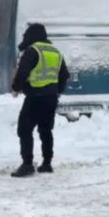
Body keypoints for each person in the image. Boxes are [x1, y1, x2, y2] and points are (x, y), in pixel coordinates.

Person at [9, 23, 69, 177]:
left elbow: (23, 71)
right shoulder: (56, 52)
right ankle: (47, 163)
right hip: (51, 98)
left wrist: (16, 88)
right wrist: (58, 91)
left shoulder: (32, 50)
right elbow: (64, 75)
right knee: (46, 130)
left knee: (24, 129)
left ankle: (27, 164)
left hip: (35, 97)